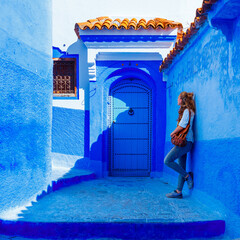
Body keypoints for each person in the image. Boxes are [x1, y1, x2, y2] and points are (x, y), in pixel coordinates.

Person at [164, 91, 195, 198]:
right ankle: (178, 192)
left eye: (178, 98)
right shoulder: (185, 111)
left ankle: (187, 176)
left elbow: (183, 125)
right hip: (185, 142)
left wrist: (173, 132)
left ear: (182, 100)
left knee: (167, 161)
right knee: (181, 166)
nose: (177, 100)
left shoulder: (187, 111)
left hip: (185, 142)